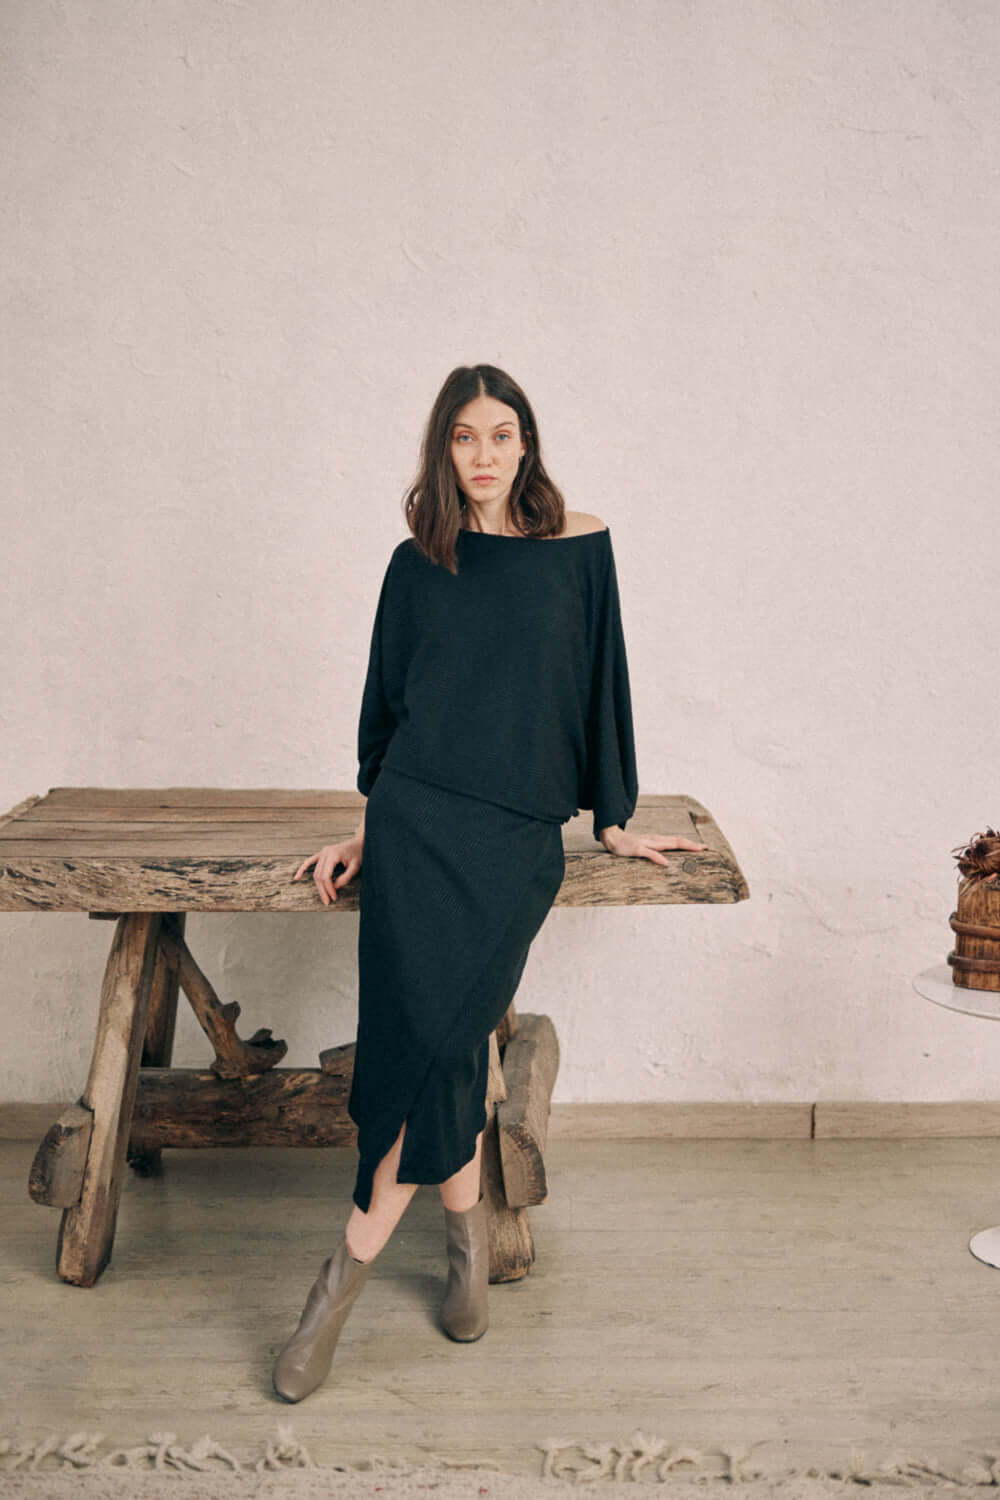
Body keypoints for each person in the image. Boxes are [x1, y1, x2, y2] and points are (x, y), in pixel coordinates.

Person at [272, 363, 708, 1403]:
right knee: (434, 1045)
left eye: (500, 434)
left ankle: (337, 1285)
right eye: (463, 436)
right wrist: (367, 831)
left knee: (435, 1041)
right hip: (417, 826)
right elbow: (393, 709)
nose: (481, 455)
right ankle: (461, 1252)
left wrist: (614, 817)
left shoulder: (578, 547)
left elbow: (601, 681)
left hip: (514, 840)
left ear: (527, 443)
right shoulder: (415, 563)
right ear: (442, 447)